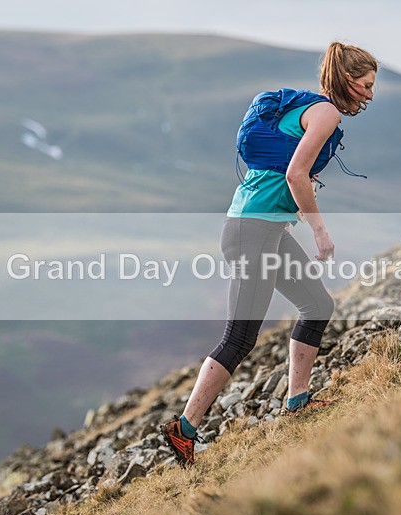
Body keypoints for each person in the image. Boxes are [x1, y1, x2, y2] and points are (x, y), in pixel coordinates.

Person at [159, 42, 378, 466]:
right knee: (240, 338)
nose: (370, 95)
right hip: (252, 231)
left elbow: (291, 173)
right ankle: (182, 429)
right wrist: (320, 231)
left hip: (264, 229)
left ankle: (297, 402)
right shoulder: (326, 112)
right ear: (347, 80)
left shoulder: (307, 109)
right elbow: (296, 173)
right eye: (366, 85)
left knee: (317, 305)